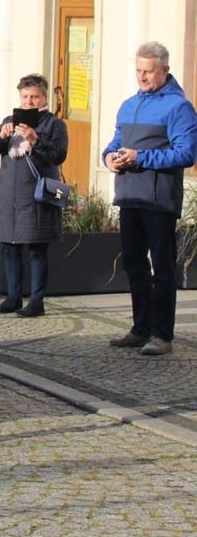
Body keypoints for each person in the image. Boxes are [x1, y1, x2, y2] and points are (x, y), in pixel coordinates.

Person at [103, 42, 197, 356]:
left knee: (162, 268)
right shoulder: (129, 105)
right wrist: (109, 158)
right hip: (129, 197)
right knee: (133, 264)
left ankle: (162, 335)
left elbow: (186, 154)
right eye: (139, 71)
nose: (142, 77)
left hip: (159, 201)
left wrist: (141, 157)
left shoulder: (178, 107)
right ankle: (140, 328)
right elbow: (116, 141)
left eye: (148, 71)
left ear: (164, 71)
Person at [0, 74, 68, 317]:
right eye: (25, 97)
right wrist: (0, 135)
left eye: (34, 97)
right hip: (8, 196)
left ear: (44, 97)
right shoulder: (10, 120)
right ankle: (13, 297)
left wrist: (36, 139)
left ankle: (37, 299)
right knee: (9, 247)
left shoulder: (54, 124)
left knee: (36, 248)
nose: (29, 101)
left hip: (36, 196)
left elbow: (59, 154)